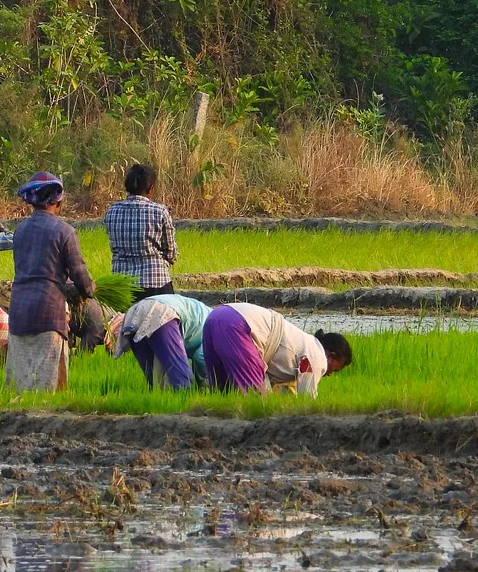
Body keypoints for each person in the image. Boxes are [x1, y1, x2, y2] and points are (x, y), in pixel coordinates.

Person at [6, 172, 95, 392]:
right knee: (48, 385)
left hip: (18, 311)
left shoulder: (20, 231)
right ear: (56, 200)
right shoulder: (65, 232)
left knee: (21, 382)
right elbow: (78, 272)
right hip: (48, 311)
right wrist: (90, 290)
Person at [201, 302, 352, 397]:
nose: (331, 374)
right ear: (332, 356)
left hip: (216, 316)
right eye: (336, 369)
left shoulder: (303, 342)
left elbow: (267, 378)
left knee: (223, 393)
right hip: (238, 324)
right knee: (255, 403)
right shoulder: (317, 356)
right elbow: (307, 400)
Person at [103, 164, 178, 302]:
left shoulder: (111, 211)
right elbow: (171, 253)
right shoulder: (159, 211)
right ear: (150, 189)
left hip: (122, 286)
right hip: (156, 284)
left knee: (122, 323)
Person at [108, 294, 213, 390]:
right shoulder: (216, 327)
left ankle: (157, 400)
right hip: (161, 313)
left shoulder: (208, 314)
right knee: (182, 380)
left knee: (154, 379)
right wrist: (206, 385)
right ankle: (185, 402)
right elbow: (201, 356)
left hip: (135, 311)